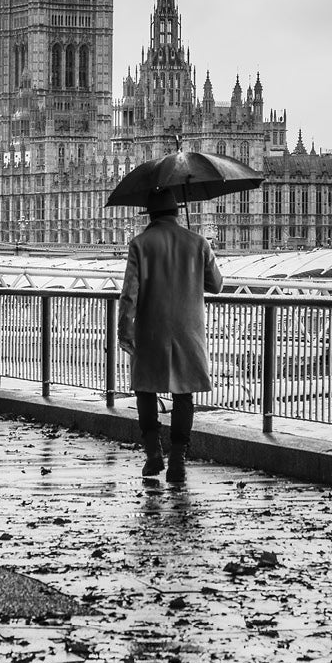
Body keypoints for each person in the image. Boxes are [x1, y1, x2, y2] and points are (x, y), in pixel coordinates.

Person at [115, 193, 224, 487]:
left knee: (145, 390)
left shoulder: (140, 244)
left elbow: (129, 294)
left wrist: (124, 330)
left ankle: (153, 454)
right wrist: (205, 251)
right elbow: (216, 284)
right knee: (184, 394)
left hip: (151, 328)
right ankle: (178, 459)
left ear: (149, 215)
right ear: (177, 212)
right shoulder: (197, 242)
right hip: (188, 330)